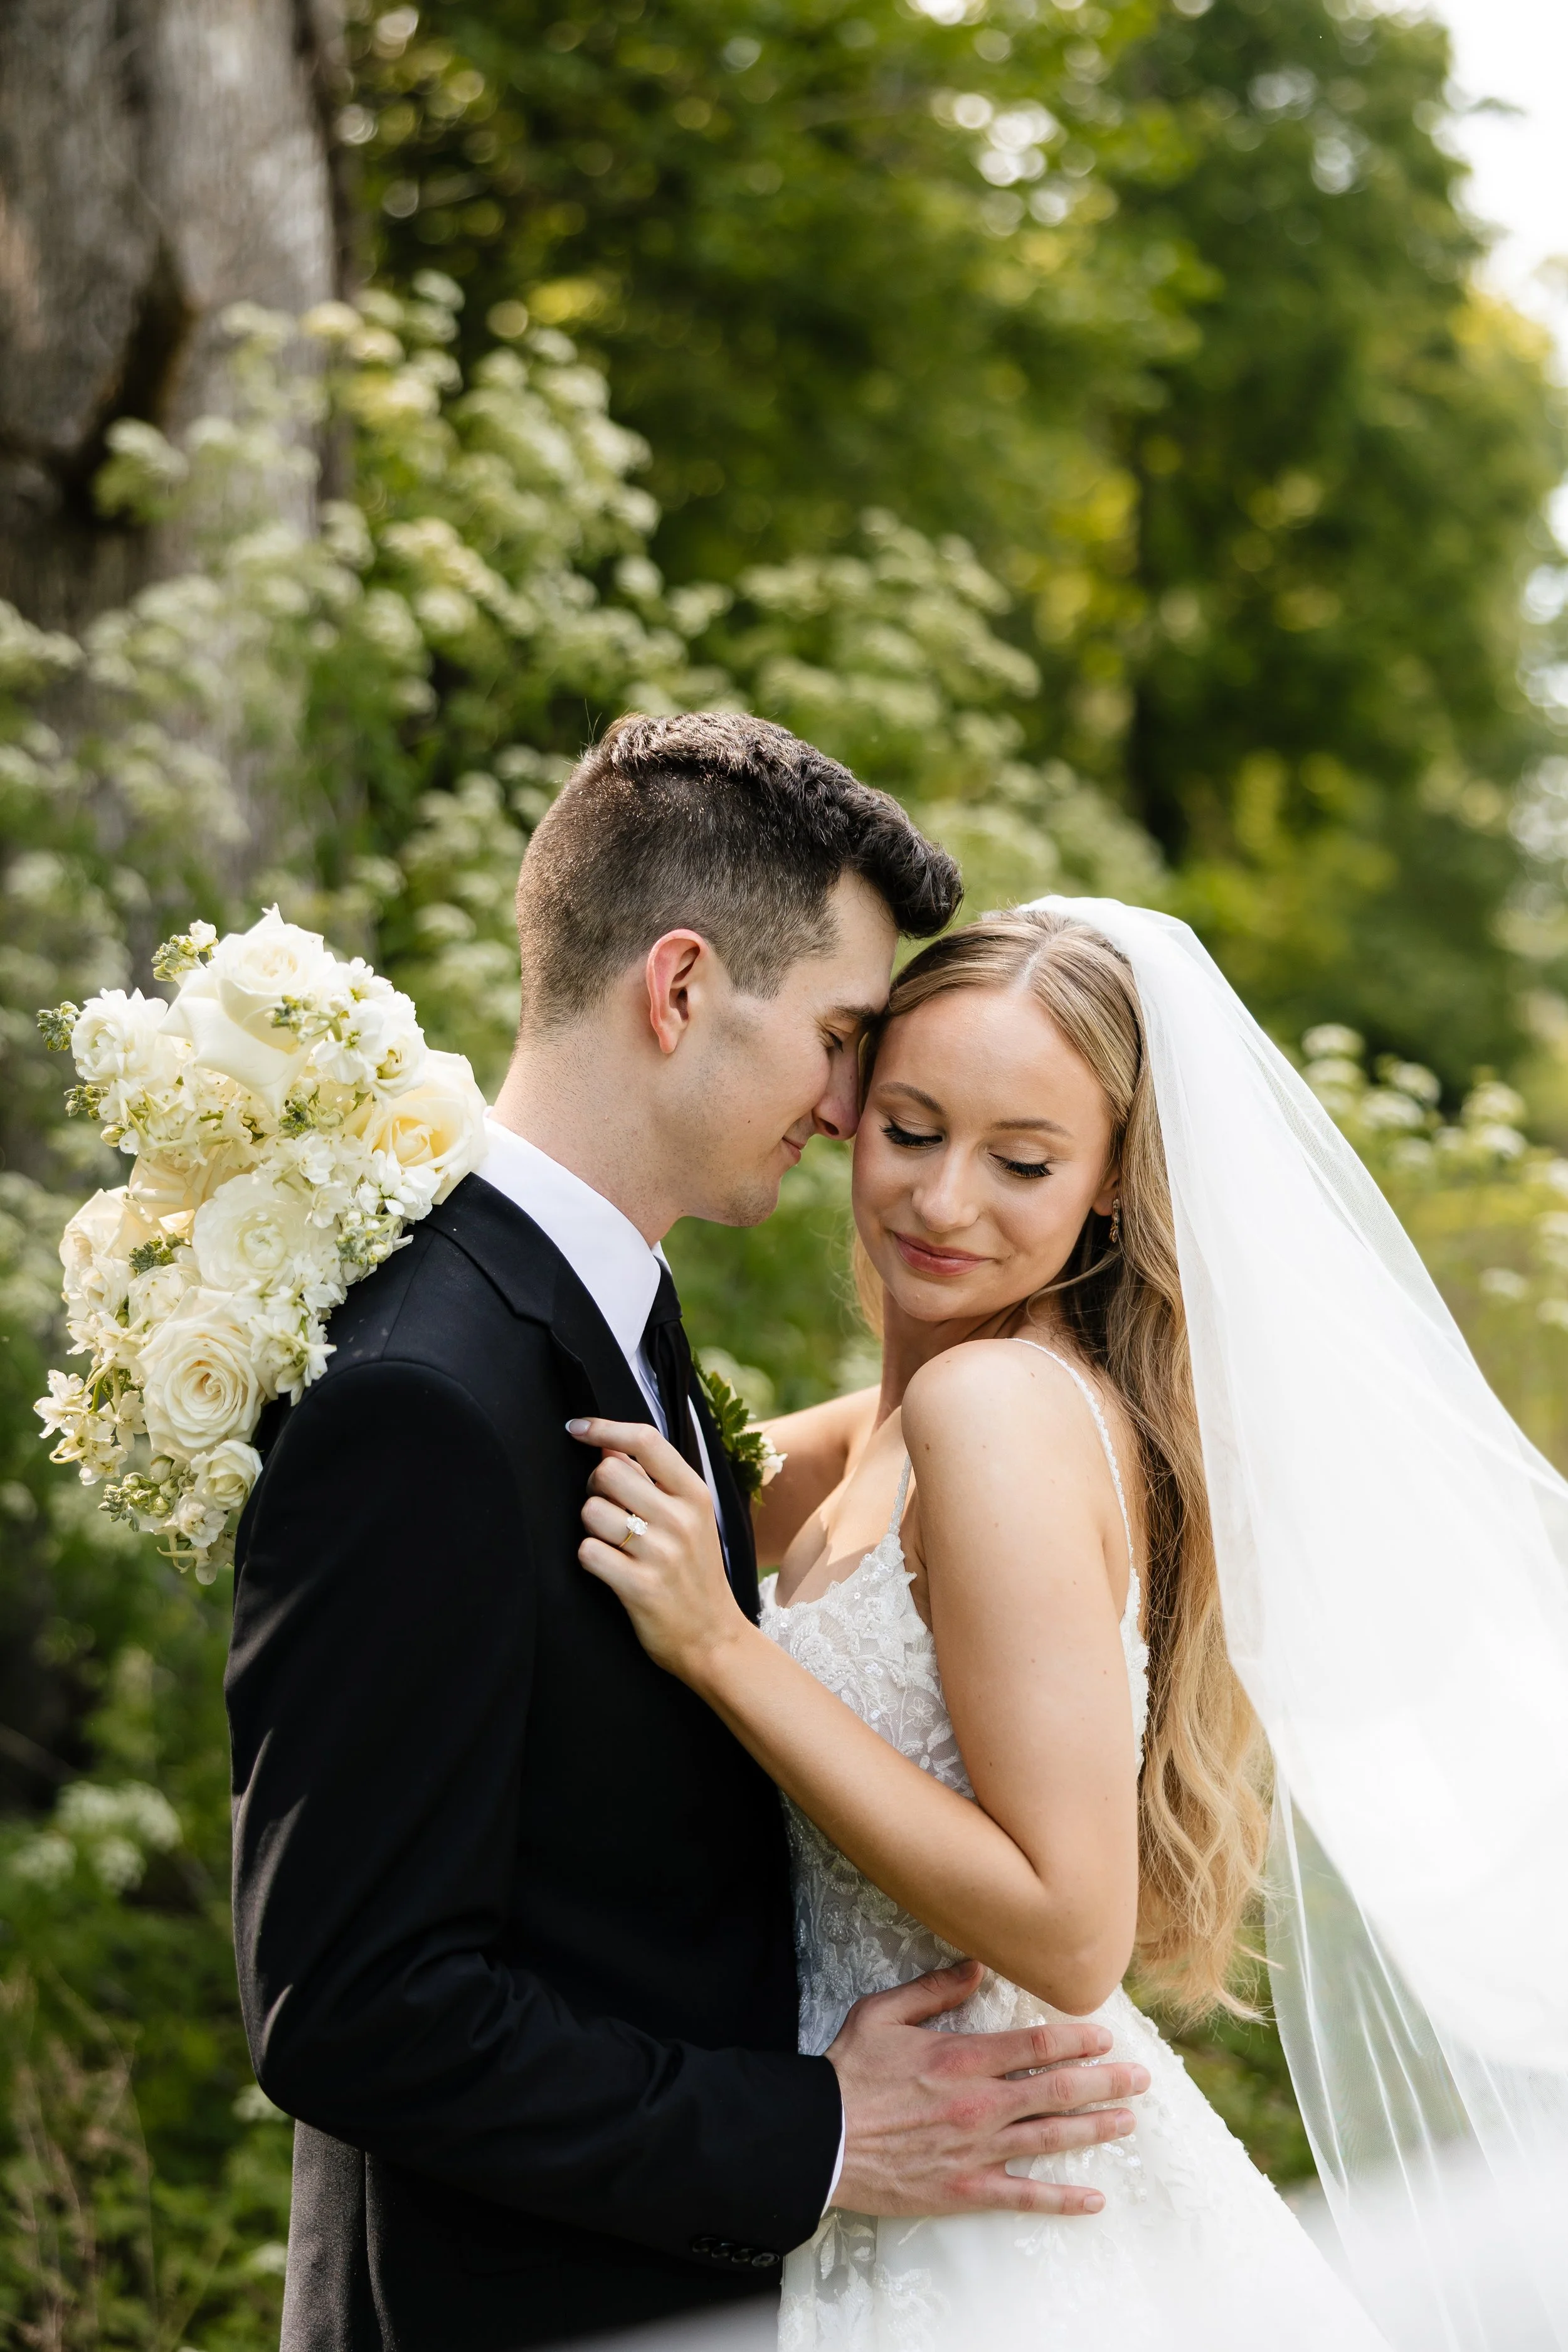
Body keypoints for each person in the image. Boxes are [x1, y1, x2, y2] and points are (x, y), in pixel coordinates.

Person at [225, 724, 1151, 2352]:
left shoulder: (619, 1316)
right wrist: (818, 2131)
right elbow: (354, 2007)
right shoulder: (426, 1390)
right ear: (677, 989)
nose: (857, 1108)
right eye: (842, 1038)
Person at [570, 899, 1566, 2349]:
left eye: (1022, 1161)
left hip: (1000, 2212)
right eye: (909, 1130)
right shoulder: (889, 1430)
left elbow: (1069, 1926)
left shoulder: (997, 1414)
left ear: (1108, 1183)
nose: (943, 1202)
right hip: (894, 2161)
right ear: (845, 1112)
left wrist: (722, 1649)